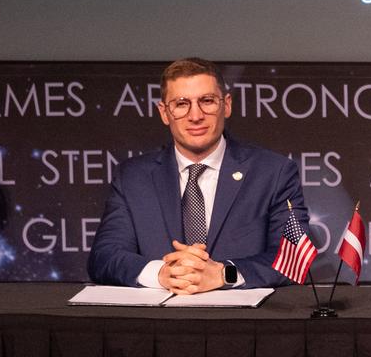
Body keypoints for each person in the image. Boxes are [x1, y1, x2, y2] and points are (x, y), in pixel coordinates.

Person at [88, 57, 309, 292]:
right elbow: (104, 257)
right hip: (159, 323)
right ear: (164, 113)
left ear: (227, 104)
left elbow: (294, 257)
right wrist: (163, 273)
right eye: (181, 104)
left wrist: (224, 274)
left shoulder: (273, 172)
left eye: (207, 101)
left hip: (240, 324)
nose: (195, 116)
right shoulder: (133, 177)